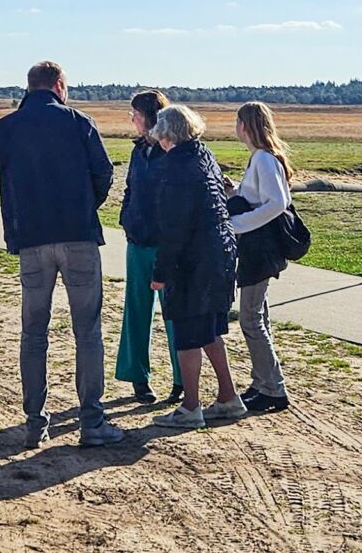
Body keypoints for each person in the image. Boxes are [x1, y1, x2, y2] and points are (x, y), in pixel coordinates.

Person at [0, 62, 124, 449]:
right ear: (59, 86)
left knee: (34, 333)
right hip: (79, 238)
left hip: (32, 243)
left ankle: (35, 424)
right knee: (87, 331)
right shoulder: (80, 122)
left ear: (29, 86)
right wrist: (84, 206)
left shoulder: (7, 127)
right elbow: (104, 173)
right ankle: (92, 421)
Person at [145, 105, 245, 428]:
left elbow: (174, 227)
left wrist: (160, 273)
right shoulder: (205, 156)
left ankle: (190, 407)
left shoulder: (175, 167)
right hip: (220, 255)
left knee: (188, 334)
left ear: (167, 136)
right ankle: (228, 397)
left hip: (193, 263)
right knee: (210, 330)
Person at [114, 89, 184, 406]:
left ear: (150, 117)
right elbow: (130, 188)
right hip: (137, 242)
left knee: (174, 313)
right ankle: (137, 377)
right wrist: (127, 218)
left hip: (167, 245)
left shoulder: (172, 152)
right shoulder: (138, 150)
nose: (132, 119)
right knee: (136, 309)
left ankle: (182, 379)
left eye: (136, 114)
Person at [227, 101, 294, 414]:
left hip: (260, 247)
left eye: (237, 122)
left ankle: (275, 389)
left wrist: (237, 223)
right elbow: (258, 196)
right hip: (256, 247)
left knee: (251, 319)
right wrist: (235, 191)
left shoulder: (264, 159)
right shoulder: (261, 158)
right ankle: (262, 383)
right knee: (259, 316)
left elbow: (276, 203)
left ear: (245, 126)